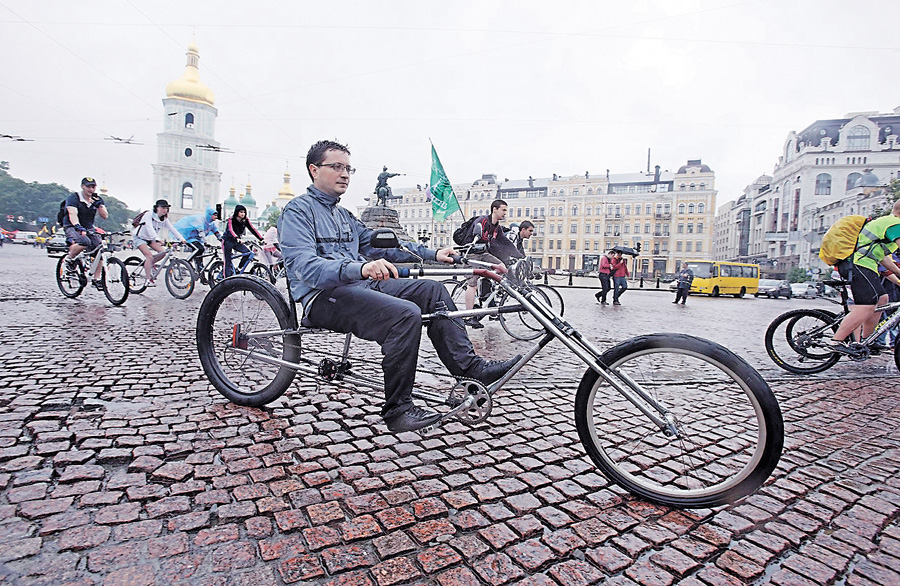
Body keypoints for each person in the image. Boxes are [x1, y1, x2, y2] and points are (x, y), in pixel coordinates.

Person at [278, 139, 520, 433]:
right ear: (314, 170)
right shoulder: (297, 212)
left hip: (358, 287)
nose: (345, 174)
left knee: (432, 290)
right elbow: (305, 267)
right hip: (322, 298)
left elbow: (386, 244)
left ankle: (469, 369)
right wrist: (362, 267)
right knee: (405, 315)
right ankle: (398, 409)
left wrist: (433, 254)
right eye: (337, 167)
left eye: (348, 168)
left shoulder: (343, 216)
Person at [829, 200, 900, 353]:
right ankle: (837, 342)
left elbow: (882, 257)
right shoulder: (894, 224)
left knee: (882, 299)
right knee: (867, 306)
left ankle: (868, 341)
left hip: (864, 265)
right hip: (858, 265)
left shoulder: (887, 224)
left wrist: (899, 276)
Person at [463, 199, 509, 328]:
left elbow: (505, 242)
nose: (505, 213)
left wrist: (519, 256)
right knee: (472, 285)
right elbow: (475, 236)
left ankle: (487, 295)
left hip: (483, 254)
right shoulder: (482, 221)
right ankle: (469, 316)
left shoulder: (496, 227)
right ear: (495, 209)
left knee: (502, 267)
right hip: (471, 253)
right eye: (503, 210)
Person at [62, 177, 108, 290]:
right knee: (84, 241)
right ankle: (69, 259)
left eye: (93, 187)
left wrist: (99, 206)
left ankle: (96, 280)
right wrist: (77, 226)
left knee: (99, 250)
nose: (91, 189)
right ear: (82, 186)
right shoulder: (74, 198)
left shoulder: (96, 198)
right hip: (72, 225)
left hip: (88, 227)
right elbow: (72, 213)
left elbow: (105, 216)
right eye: (88, 186)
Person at [133, 199, 186, 286]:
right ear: (157, 208)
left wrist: (181, 239)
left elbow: (172, 229)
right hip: (140, 238)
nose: (165, 210)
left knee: (163, 252)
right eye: (162, 208)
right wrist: (157, 239)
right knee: (149, 256)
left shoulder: (164, 219)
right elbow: (149, 228)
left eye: (166, 208)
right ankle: (148, 280)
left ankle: (150, 264)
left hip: (151, 239)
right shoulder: (148, 215)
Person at [173, 207, 222, 283]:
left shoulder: (212, 224)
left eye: (216, 215)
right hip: (190, 239)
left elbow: (216, 233)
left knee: (200, 260)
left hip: (198, 240)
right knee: (200, 249)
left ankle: (202, 278)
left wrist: (222, 240)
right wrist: (205, 242)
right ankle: (187, 262)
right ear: (209, 215)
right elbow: (201, 233)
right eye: (214, 215)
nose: (216, 217)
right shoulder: (201, 221)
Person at [223, 205, 264, 277]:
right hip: (227, 241)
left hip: (236, 241)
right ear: (237, 212)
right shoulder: (231, 219)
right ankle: (225, 281)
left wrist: (261, 239)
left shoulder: (245, 220)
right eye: (241, 212)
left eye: (244, 212)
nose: (243, 214)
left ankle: (238, 269)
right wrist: (237, 238)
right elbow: (230, 230)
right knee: (227, 261)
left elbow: (252, 229)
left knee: (247, 253)